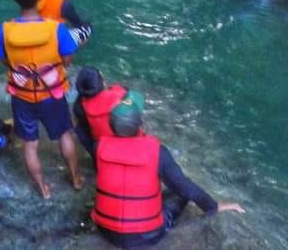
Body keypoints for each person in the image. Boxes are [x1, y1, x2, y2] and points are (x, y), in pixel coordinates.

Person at [91, 91, 244, 247]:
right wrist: (214, 207)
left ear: (111, 124)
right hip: (146, 236)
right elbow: (186, 188)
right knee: (180, 193)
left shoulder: (98, 147)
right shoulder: (157, 152)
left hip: (106, 230)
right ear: (139, 124)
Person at [0, 0, 83, 198]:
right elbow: (67, 59)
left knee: (30, 144)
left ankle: (43, 189)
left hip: (22, 94)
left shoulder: (3, 30)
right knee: (64, 134)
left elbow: (4, 60)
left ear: (16, 0)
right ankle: (75, 179)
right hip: (51, 93)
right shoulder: (56, 29)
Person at [72, 67, 127, 153]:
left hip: (101, 146)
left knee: (79, 130)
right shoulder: (120, 93)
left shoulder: (79, 106)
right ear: (102, 83)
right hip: (123, 141)